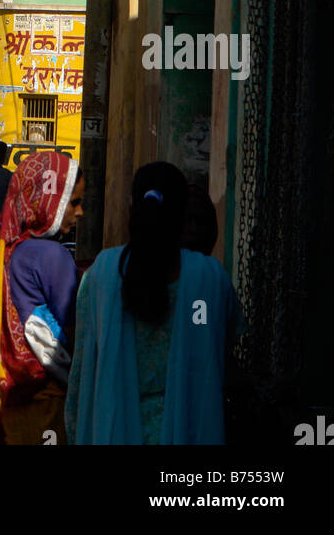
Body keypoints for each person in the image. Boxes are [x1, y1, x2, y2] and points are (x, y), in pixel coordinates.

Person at [65, 161, 241, 445]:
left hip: (113, 428)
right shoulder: (209, 278)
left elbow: (82, 371)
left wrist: (76, 431)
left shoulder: (103, 274)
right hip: (191, 428)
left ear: (132, 209)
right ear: (181, 216)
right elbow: (221, 345)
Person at [0, 150, 83, 445]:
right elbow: (73, 327)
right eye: (74, 202)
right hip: (46, 398)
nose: (80, 212)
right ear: (49, 201)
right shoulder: (53, 255)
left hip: (8, 397)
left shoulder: (7, 252)